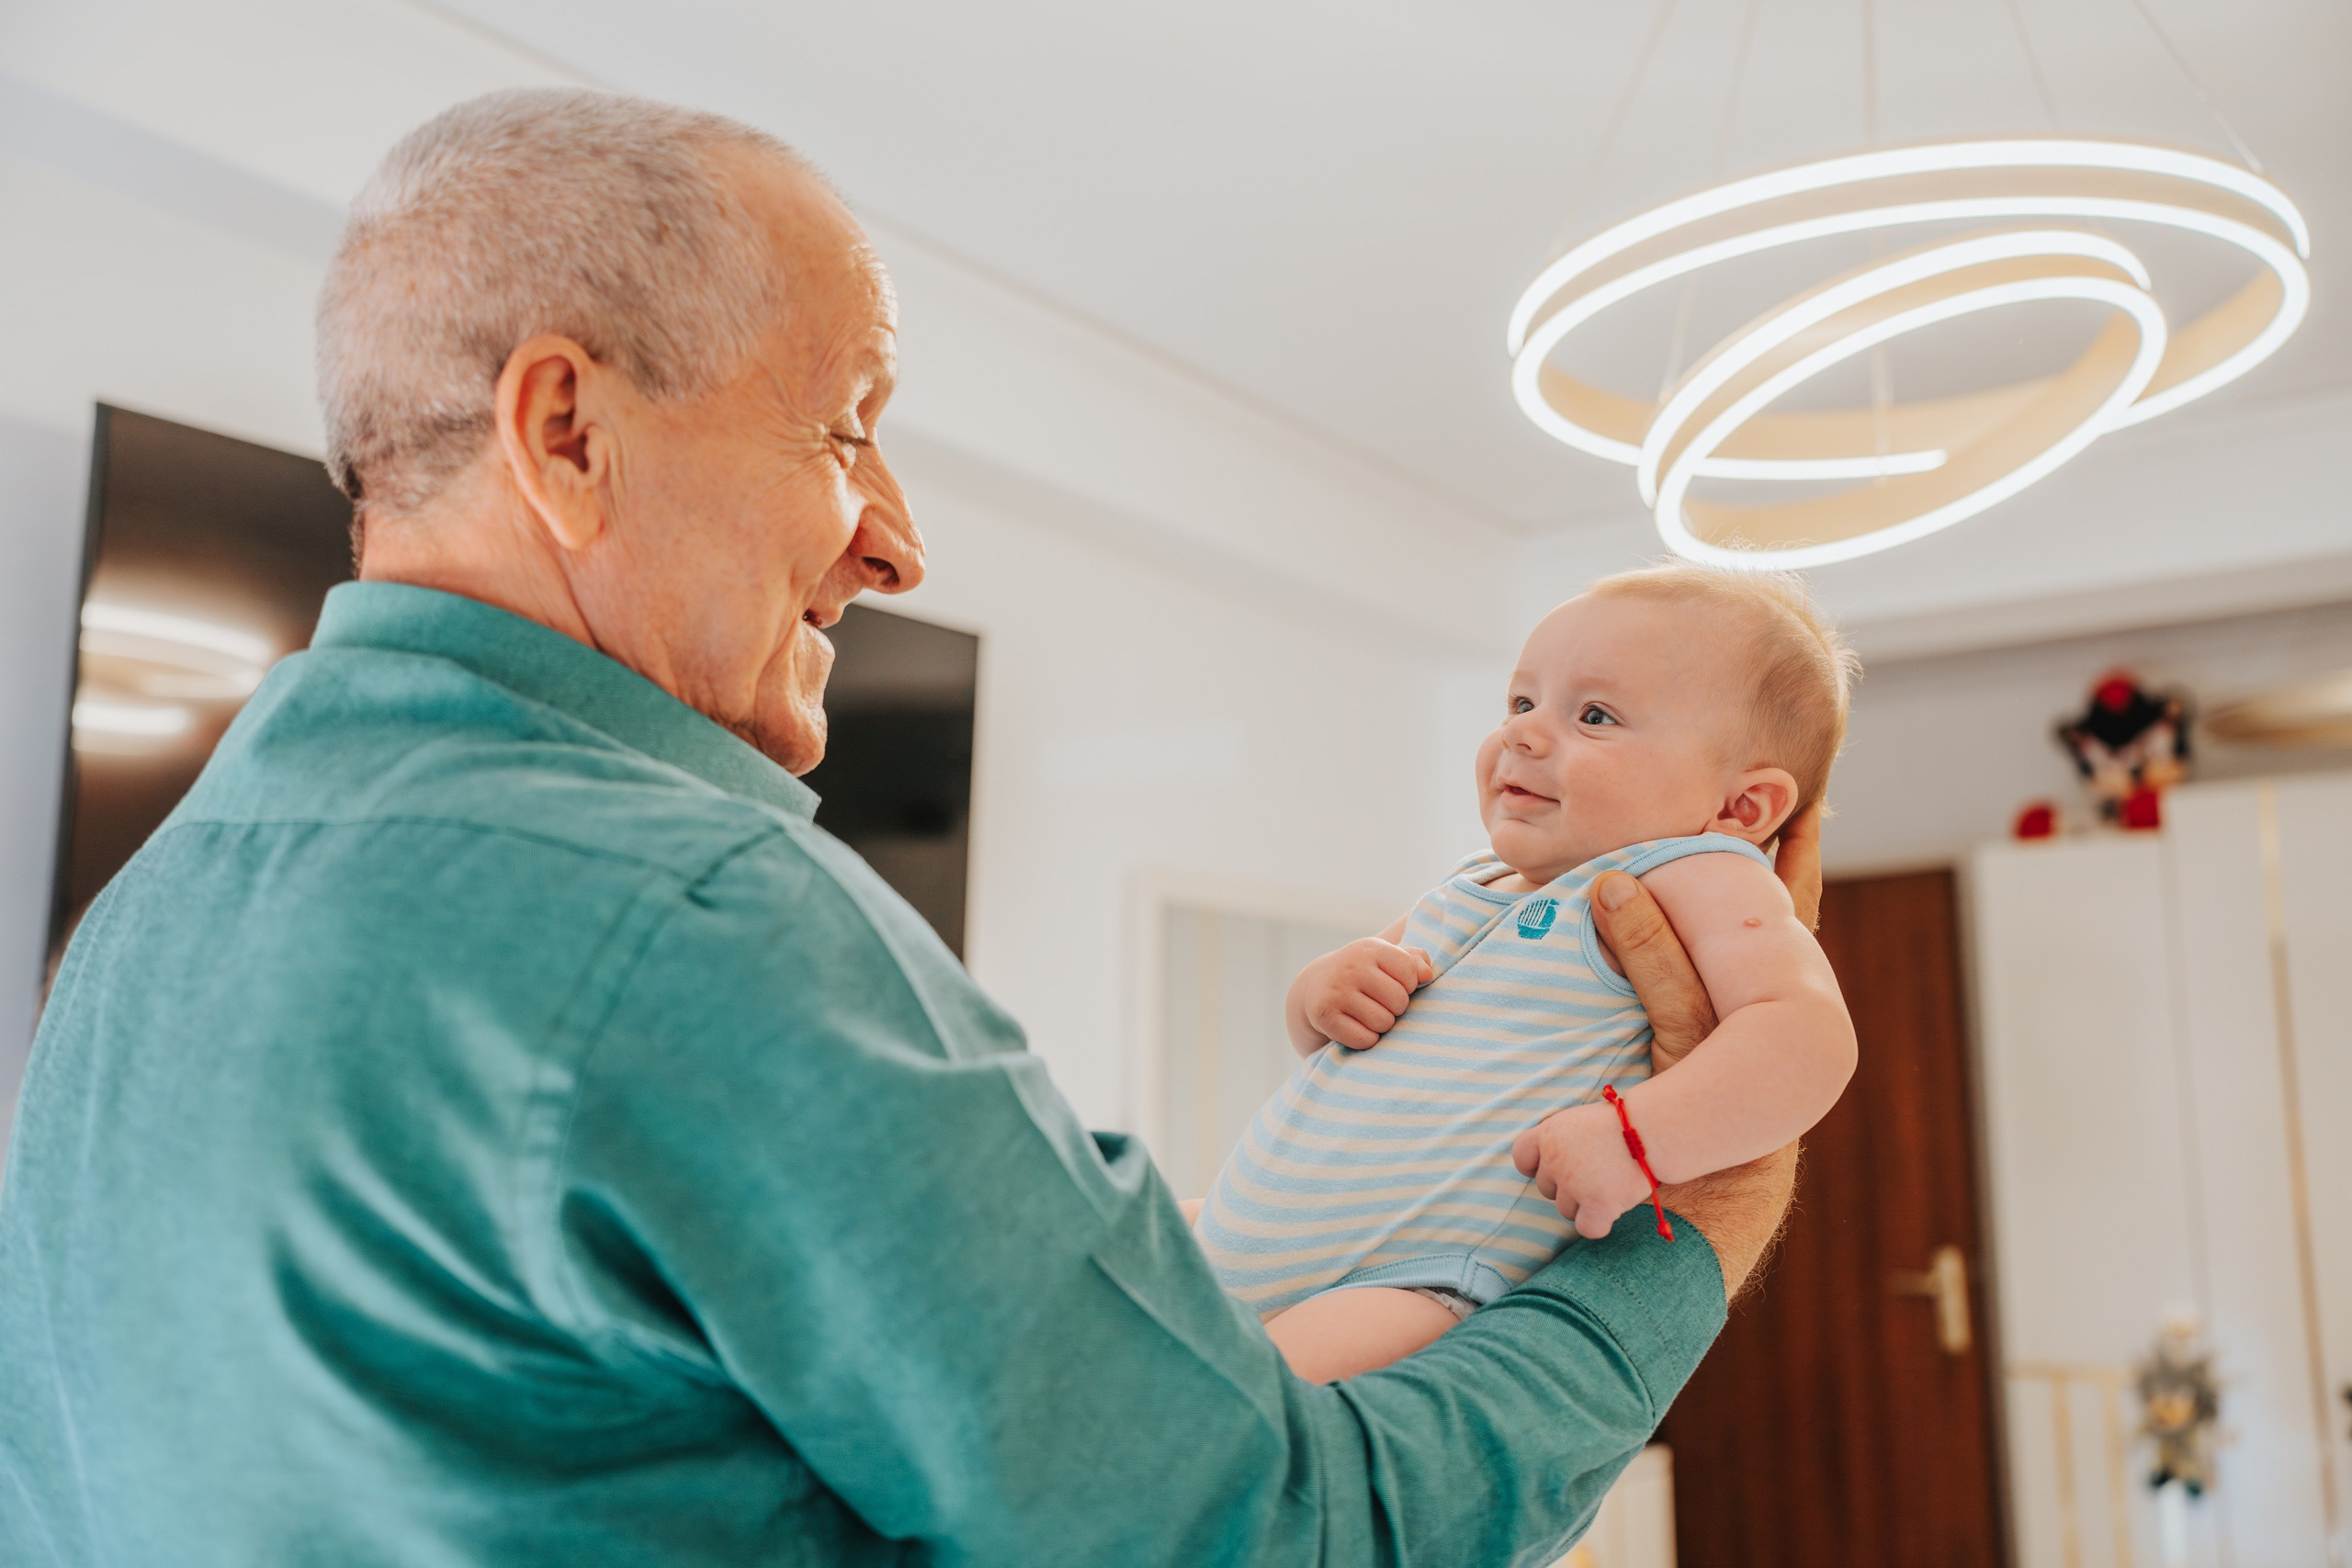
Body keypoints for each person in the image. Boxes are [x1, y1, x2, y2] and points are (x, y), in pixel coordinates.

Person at [0, 89, 1805, 1566]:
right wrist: (1679, 1244)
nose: (896, 537)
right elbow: (1255, 1532)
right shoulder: (696, 910)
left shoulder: (141, 927)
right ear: (564, 431)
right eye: (844, 427)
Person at [1194, 565, 1860, 1381]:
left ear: (1741, 809)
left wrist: (1638, 1136)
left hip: (1406, 1281)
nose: (1524, 734)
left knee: (1236, 1411)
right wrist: (1323, 992)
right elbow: (1325, 1037)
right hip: (1230, 1239)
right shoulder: (1473, 881)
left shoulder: (1692, 871)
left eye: (1594, 714)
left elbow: (1807, 1038)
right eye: (1520, 703)